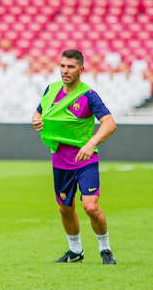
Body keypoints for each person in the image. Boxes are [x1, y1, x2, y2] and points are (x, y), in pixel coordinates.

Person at [32, 49, 118, 265]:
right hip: (60, 161)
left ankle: (105, 249)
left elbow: (110, 123)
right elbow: (39, 112)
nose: (65, 71)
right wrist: (36, 119)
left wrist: (91, 144)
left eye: (70, 67)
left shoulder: (88, 95)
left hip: (84, 160)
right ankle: (75, 251)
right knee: (65, 208)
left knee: (91, 206)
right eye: (62, 66)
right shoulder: (51, 90)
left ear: (81, 69)